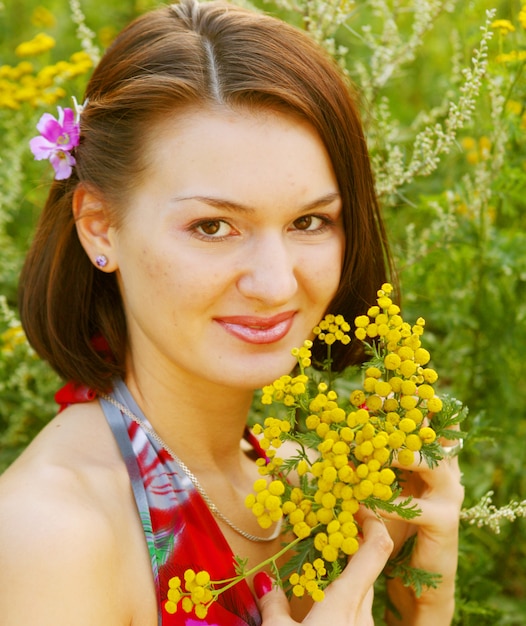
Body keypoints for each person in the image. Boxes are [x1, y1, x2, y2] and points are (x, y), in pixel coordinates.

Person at [0, 1, 464, 624]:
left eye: (309, 221)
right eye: (212, 226)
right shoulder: (51, 535)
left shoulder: (303, 489)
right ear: (99, 226)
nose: (275, 284)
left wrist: (426, 607)